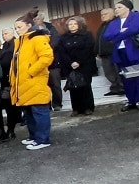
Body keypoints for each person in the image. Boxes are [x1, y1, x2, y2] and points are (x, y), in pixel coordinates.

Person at [10, 12, 55, 150]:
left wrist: (31, 72)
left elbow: (47, 57)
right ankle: (34, 137)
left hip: (34, 81)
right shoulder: (20, 42)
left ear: (29, 25)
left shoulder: (37, 38)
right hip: (24, 83)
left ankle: (43, 140)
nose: (17, 30)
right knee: (29, 112)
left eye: (19, 27)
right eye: (15, 28)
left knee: (39, 112)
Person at [103, 0, 139, 112]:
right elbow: (106, 36)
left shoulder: (137, 16)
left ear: (128, 8)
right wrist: (122, 31)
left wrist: (116, 37)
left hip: (138, 51)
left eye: (119, 7)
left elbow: (134, 29)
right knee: (126, 77)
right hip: (121, 52)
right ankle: (131, 100)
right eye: (115, 8)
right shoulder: (114, 22)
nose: (116, 10)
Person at [57, 16, 96, 116]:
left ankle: (88, 108)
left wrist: (79, 62)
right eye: (70, 24)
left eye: (75, 24)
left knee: (85, 86)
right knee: (73, 87)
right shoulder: (63, 38)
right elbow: (62, 52)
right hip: (70, 66)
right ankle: (76, 109)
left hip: (85, 64)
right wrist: (71, 63)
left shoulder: (87, 35)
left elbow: (89, 49)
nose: (72, 26)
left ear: (80, 25)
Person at [33, 10, 63, 111]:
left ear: (42, 18)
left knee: (55, 84)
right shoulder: (32, 30)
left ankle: (57, 104)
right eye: (34, 19)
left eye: (37, 19)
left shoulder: (51, 28)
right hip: (39, 63)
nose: (36, 21)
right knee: (43, 86)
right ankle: (47, 105)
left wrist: (44, 50)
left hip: (53, 62)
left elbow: (55, 41)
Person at [95, 7, 124, 96]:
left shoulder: (116, 23)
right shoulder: (102, 26)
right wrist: (97, 51)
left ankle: (122, 87)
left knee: (118, 70)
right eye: (101, 15)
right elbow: (99, 40)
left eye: (105, 14)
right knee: (108, 72)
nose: (103, 16)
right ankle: (115, 88)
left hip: (114, 52)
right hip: (104, 53)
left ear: (113, 14)